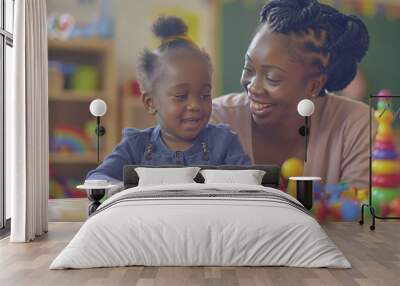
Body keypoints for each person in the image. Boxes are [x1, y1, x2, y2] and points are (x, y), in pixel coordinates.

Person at [211, 0, 376, 188]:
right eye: (248, 68)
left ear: (315, 85)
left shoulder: (354, 126)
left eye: (272, 78)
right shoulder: (216, 121)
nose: (253, 87)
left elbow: (360, 211)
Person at [87, 16, 251, 183]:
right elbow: (99, 177)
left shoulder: (224, 142)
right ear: (150, 102)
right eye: (181, 96)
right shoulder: (135, 146)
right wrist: (119, 189)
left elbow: (249, 183)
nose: (195, 105)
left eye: (204, 95)